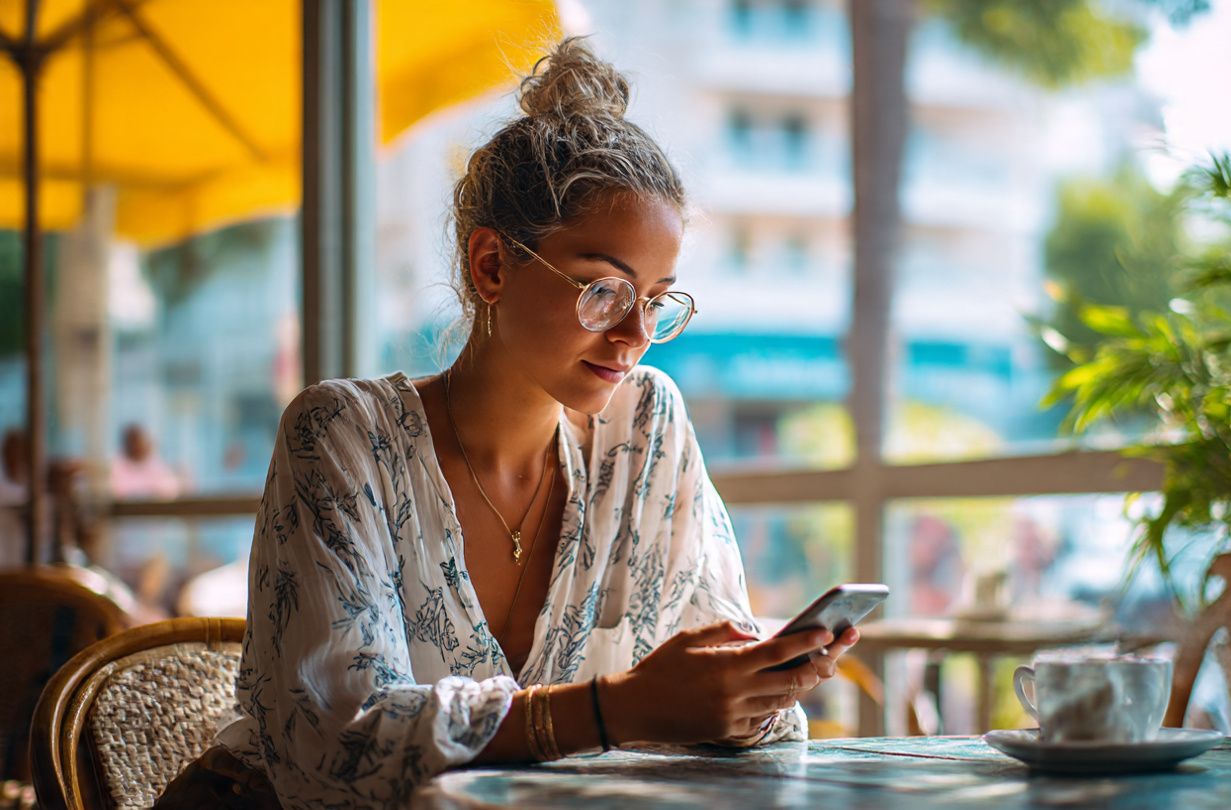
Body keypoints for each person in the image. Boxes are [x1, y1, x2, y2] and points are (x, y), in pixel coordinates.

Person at [157, 38, 860, 809]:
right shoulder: (344, 437)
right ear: (490, 265)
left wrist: (747, 689)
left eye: (656, 301)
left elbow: (741, 721)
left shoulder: (646, 428)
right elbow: (336, 741)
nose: (632, 337)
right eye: (602, 291)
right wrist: (623, 706)